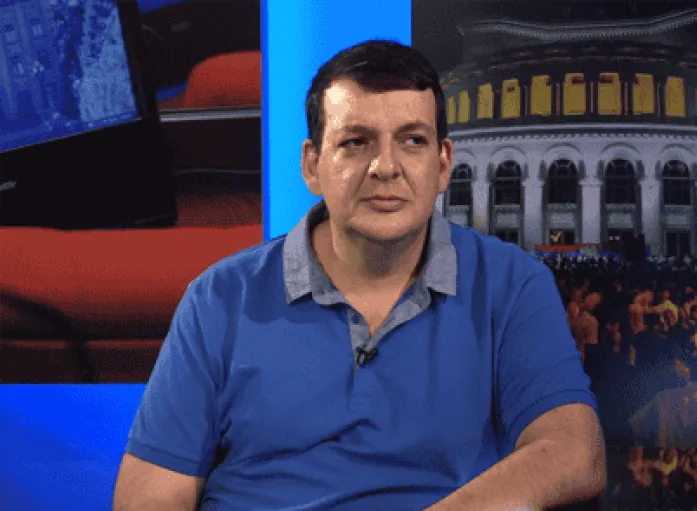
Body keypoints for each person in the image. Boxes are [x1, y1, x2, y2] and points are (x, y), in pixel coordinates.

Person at [112, 40, 606, 511]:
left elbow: (573, 451)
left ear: (442, 165)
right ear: (312, 166)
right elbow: (150, 494)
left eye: (412, 141)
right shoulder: (219, 297)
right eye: (355, 142)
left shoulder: (512, 284)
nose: (385, 167)